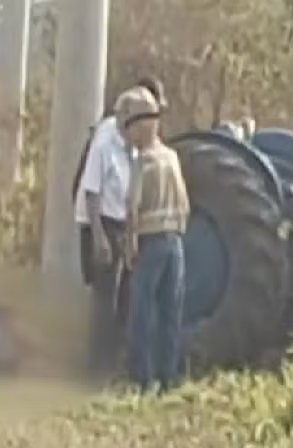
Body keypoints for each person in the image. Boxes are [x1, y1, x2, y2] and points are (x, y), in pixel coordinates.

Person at [73, 76, 168, 379]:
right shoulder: (105, 142)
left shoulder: (136, 142)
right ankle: (96, 367)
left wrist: (131, 236)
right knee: (105, 298)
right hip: (100, 222)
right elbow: (91, 191)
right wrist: (99, 237)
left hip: (122, 223)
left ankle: (115, 362)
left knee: (126, 295)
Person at [118, 86, 190, 393]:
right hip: (175, 242)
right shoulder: (172, 157)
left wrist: (130, 244)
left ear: (138, 125)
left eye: (127, 127)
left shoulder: (143, 162)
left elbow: (132, 208)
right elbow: (185, 203)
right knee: (171, 312)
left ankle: (142, 378)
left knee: (142, 312)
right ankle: (168, 376)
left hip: (149, 243)